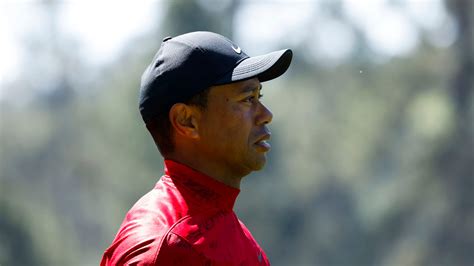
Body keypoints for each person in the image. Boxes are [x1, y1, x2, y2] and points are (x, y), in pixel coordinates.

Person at [100, 31, 293, 265]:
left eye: (259, 96)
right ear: (186, 121)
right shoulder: (165, 249)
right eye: (247, 99)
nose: (266, 115)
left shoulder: (219, 221)